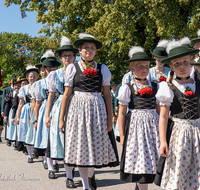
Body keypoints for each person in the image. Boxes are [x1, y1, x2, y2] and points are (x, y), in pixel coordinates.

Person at [59, 33, 119, 190]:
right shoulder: (72, 68)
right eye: (86, 47)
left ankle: (91, 175)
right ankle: (86, 186)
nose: (89, 50)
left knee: (94, 147)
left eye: (92, 48)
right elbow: (66, 94)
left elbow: (107, 94)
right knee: (81, 149)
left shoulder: (103, 68)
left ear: (96, 51)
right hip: (77, 111)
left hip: (97, 111)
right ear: (79, 50)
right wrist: (61, 118)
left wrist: (110, 116)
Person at [155, 39, 200, 189]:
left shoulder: (198, 83)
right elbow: (163, 116)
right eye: (177, 64)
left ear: (192, 61)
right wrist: (163, 141)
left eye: (185, 62)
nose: (182, 66)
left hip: (198, 131)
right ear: (171, 66)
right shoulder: (168, 87)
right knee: (180, 172)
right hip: (179, 134)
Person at [117, 46, 160, 190]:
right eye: (140, 66)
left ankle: (143, 185)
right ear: (132, 68)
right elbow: (122, 113)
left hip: (153, 128)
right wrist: (122, 135)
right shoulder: (127, 87)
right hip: (136, 128)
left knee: (153, 159)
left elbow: (160, 111)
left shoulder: (157, 86)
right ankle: (142, 186)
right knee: (140, 159)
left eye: (147, 66)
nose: (144, 69)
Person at [45, 36, 78, 186]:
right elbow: (51, 96)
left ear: (74, 57)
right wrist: (47, 115)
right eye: (65, 55)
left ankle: (71, 175)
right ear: (60, 58)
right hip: (59, 108)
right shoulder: (54, 74)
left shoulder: (80, 71)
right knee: (57, 140)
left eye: (70, 55)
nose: (67, 58)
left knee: (73, 142)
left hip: (77, 106)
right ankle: (55, 169)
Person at [33, 49, 61, 179]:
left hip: (60, 107)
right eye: (49, 69)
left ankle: (55, 161)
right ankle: (50, 167)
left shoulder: (61, 77)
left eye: (54, 69)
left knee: (58, 137)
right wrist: (36, 119)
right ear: (44, 70)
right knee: (47, 138)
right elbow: (37, 103)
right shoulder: (39, 84)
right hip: (46, 109)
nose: (51, 72)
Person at [25, 60, 47, 162]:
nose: (44, 72)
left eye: (45, 70)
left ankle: (46, 159)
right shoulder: (37, 85)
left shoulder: (53, 81)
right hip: (39, 111)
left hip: (51, 110)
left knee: (47, 137)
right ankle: (31, 155)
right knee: (32, 134)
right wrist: (32, 117)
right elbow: (34, 102)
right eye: (42, 70)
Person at [16, 66, 39, 158]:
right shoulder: (24, 88)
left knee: (37, 131)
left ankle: (36, 150)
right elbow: (20, 103)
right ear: (27, 77)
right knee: (27, 131)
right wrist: (18, 116)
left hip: (37, 108)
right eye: (30, 76)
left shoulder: (39, 85)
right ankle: (30, 153)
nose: (32, 78)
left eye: (34, 76)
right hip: (26, 111)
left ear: (37, 77)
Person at [4, 78, 20, 146]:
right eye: (15, 85)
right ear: (13, 86)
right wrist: (5, 115)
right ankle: (12, 140)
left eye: (18, 85)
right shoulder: (10, 94)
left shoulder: (22, 93)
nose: (17, 87)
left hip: (20, 112)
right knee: (12, 127)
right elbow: (7, 106)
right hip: (12, 112)